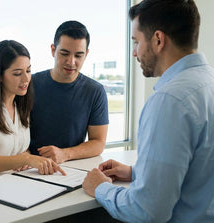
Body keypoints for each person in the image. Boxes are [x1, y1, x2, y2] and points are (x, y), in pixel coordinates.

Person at [82, 0, 214, 222]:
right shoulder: (207, 82)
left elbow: (146, 211)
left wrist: (100, 188)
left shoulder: (169, 101)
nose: (134, 53)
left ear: (158, 40)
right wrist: (137, 172)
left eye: (136, 42)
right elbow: (200, 171)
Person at [0, 21, 109, 168]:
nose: (71, 62)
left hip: (50, 170)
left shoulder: (95, 91)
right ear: (53, 50)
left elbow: (98, 142)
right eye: (64, 53)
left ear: (86, 54)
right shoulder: (27, 88)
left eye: (78, 55)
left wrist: (63, 154)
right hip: (25, 172)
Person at [0, 40, 65, 175]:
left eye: (28, 70)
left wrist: (25, 159)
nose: (26, 79)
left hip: (14, 183)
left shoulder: (20, 104)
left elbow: (17, 151)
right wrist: (25, 159)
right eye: (17, 73)